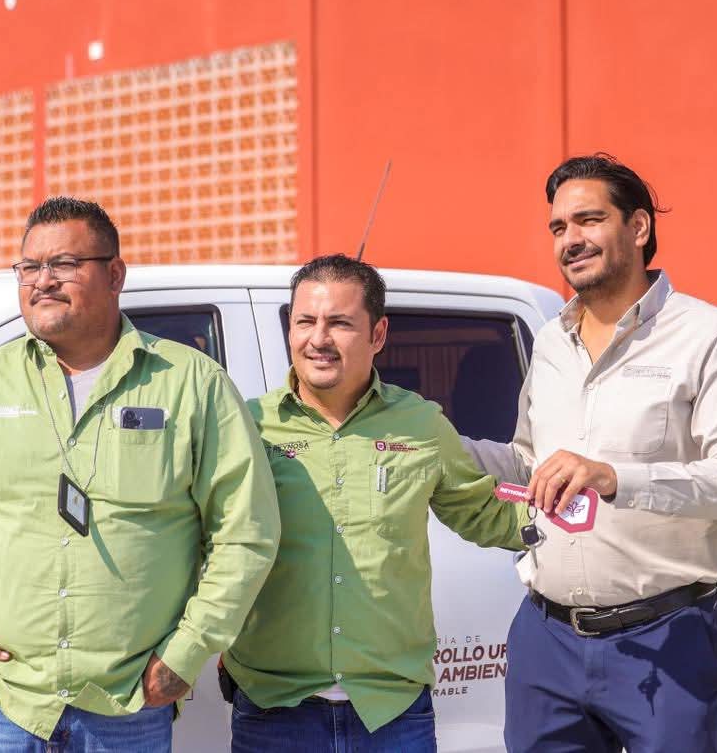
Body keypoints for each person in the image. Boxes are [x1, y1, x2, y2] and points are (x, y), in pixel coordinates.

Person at [0, 197, 280, 751]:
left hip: (127, 707)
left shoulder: (192, 384)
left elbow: (246, 531)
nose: (43, 280)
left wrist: (186, 652)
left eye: (65, 264)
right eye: (29, 267)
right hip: (3, 704)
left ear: (115, 274)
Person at [465, 153, 717, 752]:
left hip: (667, 635)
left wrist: (614, 477)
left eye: (589, 220)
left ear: (638, 226)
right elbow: (528, 465)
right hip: (546, 639)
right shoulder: (550, 342)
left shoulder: (707, 335)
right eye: (558, 227)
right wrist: (440, 448)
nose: (570, 240)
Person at [223, 254, 525, 752]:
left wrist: (572, 520)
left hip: (392, 713)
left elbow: (481, 512)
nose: (319, 339)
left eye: (340, 323)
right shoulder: (248, 427)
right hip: (276, 712)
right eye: (305, 321)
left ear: (378, 334)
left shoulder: (420, 424)